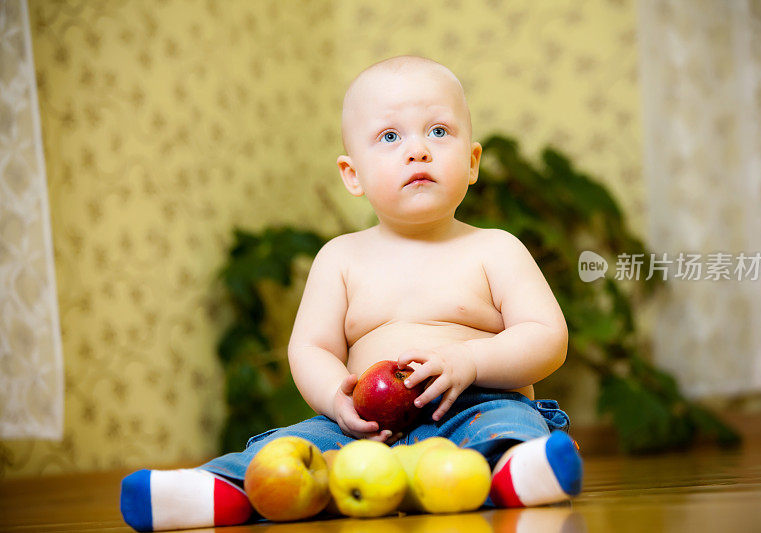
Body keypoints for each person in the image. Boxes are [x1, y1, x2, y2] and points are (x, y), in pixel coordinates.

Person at [120, 55, 583, 532]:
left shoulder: (495, 249)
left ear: (472, 162)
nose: (418, 151)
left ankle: (515, 473)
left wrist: (470, 362)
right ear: (352, 174)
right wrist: (334, 399)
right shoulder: (339, 258)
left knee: (507, 424)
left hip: (472, 407)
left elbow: (547, 336)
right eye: (390, 137)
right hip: (362, 427)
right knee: (291, 449)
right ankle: (221, 490)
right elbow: (311, 348)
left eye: (439, 132)